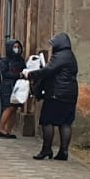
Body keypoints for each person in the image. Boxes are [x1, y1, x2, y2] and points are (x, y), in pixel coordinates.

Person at [25, 32, 79, 160]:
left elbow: (48, 71)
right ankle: (64, 151)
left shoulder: (59, 56)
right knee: (65, 123)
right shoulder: (70, 56)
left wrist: (31, 74)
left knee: (47, 121)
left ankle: (46, 149)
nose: (51, 47)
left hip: (56, 94)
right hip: (70, 94)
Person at [0, 39, 25, 138]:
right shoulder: (4, 61)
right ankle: (1, 128)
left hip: (19, 86)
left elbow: (24, 69)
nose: (16, 49)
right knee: (9, 107)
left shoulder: (21, 60)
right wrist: (18, 74)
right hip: (8, 85)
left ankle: (8, 130)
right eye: (14, 47)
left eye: (18, 47)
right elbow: (5, 73)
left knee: (15, 108)